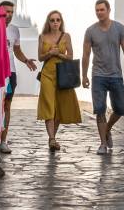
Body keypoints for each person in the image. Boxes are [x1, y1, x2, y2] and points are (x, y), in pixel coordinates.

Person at [82, 0, 124, 155]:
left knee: (121, 108)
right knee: (100, 109)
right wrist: (84, 75)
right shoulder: (90, 31)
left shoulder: (119, 28)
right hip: (98, 76)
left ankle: (108, 129)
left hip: (116, 75)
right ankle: (103, 143)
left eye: (102, 9)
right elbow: (86, 54)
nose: (99, 12)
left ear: (109, 10)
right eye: (97, 10)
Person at [37, 10, 81, 152]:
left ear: (61, 22)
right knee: (48, 105)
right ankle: (52, 139)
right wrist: (49, 53)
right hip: (47, 75)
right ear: (48, 22)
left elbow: (71, 56)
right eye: (52, 20)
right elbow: (40, 57)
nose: (55, 22)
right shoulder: (42, 36)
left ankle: (53, 137)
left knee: (59, 108)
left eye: (58, 20)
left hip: (62, 75)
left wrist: (59, 54)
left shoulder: (66, 36)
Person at [0, 0, 38, 154]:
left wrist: (26, 60)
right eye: (5, 11)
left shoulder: (14, 30)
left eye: (11, 12)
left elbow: (17, 50)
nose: (8, 15)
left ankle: (3, 141)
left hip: (10, 72)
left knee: (6, 106)